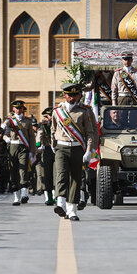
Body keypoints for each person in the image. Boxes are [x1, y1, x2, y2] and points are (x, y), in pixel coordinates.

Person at [50, 83, 94, 221]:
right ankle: (60, 203)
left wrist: (89, 151)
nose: (72, 98)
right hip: (61, 147)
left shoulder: (84, 111)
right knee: (61, 174)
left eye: (75, 95)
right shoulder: (57, 111)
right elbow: (52, 129)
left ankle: (72, 210)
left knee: (76, 178)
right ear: (64, 95)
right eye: (70, 95)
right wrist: (53, 145)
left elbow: (90, 133)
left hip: (77, 148)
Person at [2, 100, 36, 206]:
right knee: (13, 171)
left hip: (23, 147)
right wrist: (6, 138)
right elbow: (4, 132)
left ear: (23, 109)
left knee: (23, 169)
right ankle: (16, 197)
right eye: (16, 108)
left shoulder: (28, 121)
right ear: (13, 109)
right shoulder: (10, 121)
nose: (18, 110)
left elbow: (31, 137)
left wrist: (32, 151)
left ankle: (24, 194)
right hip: (13, 146)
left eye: (20, 108)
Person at [37, 107, 55, 205]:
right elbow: (39, 134)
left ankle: (57, 195)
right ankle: (49, 196)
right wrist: (38, 143)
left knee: (57, 173)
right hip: (47, 150)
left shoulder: (59, 122)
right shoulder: (43, 125)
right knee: (47, 173)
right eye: (49, 115)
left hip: (58, 149)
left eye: (52, 115)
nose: (51, 117)